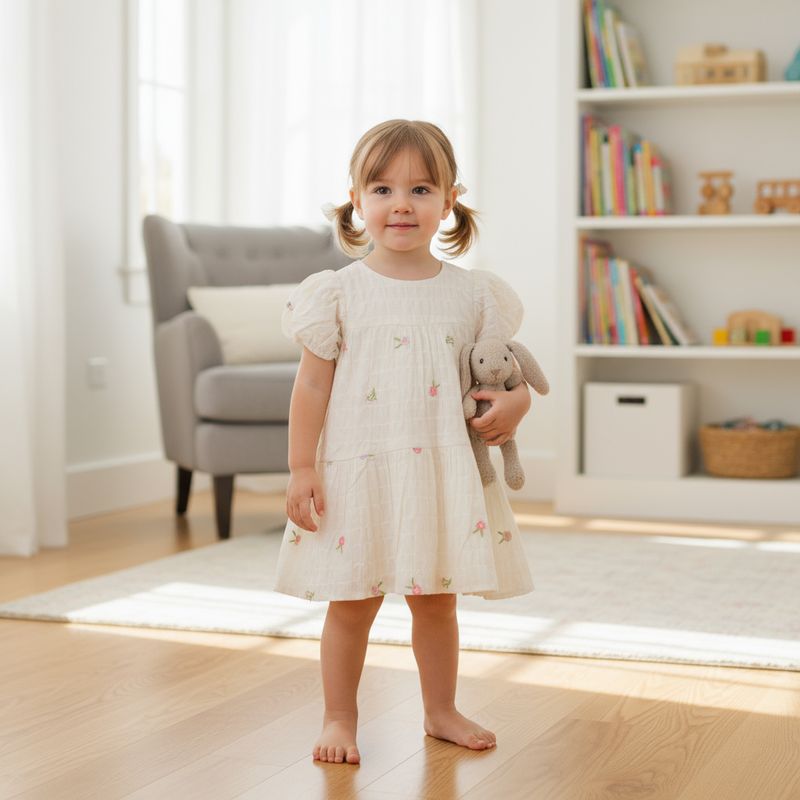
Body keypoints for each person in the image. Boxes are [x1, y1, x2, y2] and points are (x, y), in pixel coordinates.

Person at [276, 119, 537, 765]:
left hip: (440, 473)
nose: (401, 204)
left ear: (449, 200)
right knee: (352, 604)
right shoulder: (336, 293)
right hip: (358, 473)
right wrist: (301, 468)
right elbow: (310, 389)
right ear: (357, 200)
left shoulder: (475, 295)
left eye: (421, 189)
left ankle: (440, 709)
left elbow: (509, 372)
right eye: (383, 188)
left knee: (437, 602)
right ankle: (340, 716)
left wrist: (517, 404)